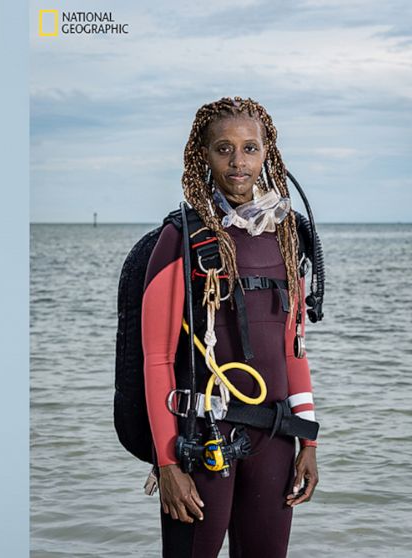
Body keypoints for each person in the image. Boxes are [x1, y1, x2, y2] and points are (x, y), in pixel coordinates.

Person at [141, 96, 319, 558]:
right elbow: (157, 358)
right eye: (224, 149)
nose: (238, 162)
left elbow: (293, 347)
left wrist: (308, 438)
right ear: (203, 155)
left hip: (276, 437)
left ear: (268, 153)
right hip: (202, 439)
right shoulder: (179, 239)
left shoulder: (286, 236)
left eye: (250, 148)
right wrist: (166, 464)